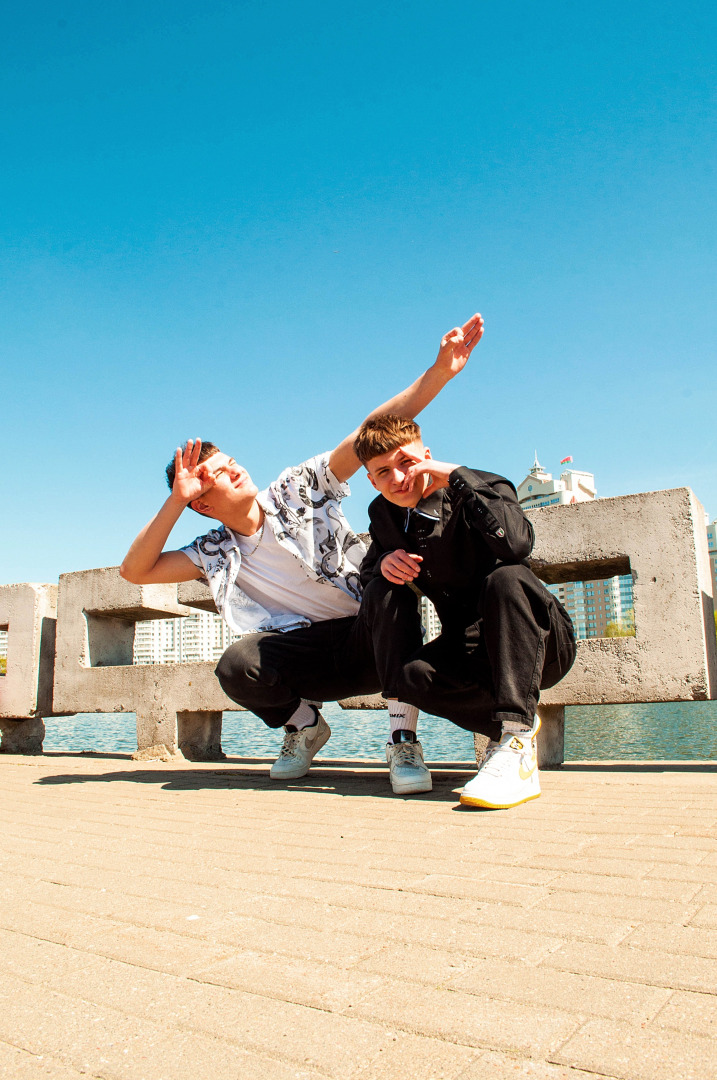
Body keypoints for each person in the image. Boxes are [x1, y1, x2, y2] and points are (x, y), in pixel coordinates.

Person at [120, 314, 484, 780]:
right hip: (311, 657)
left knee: (389, 587)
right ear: (202, 504)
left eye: (230, 462)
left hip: (375, 637)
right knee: (236, 665)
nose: (234, 470)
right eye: (213, 477)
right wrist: (175, 499)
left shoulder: (298, 488)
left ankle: (402, 742)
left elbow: (370, 433)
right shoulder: (213, 550)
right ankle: (305, 727)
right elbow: (135, 571)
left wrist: (440, 373)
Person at [353, 414, 576, 808]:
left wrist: (457, 475)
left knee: (506, 578)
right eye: (383, 472)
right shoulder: (384, 514)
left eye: (407, 462)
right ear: (371, 480)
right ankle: (507, 725)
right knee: (410, 675)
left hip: (536, 642)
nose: (398, 478)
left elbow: (517, 545)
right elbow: (367, 570)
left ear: (427, 456)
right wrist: (384, 562)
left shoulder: (482, 484)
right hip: (470, 654)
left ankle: (516, 740)